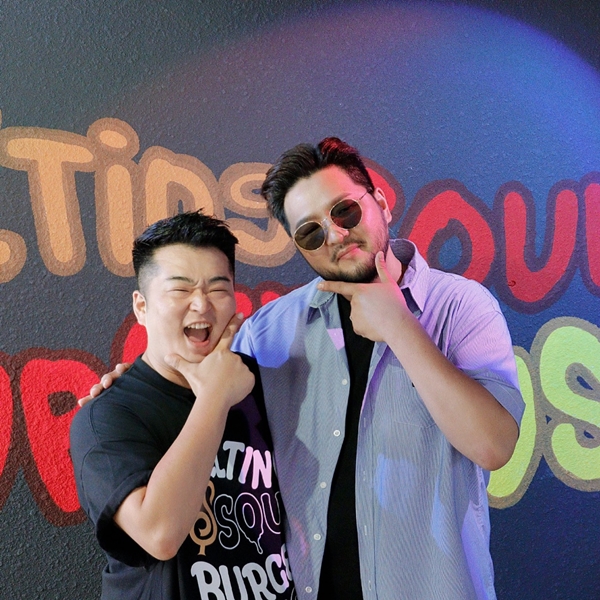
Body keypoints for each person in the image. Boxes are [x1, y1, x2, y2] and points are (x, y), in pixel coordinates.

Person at [87, 138, 524, 600]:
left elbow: (493, 446)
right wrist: (129, 385)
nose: (335, 235)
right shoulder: (269, 333)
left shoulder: (461, 307)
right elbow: (201, 393)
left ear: (380, 203)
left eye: (345, 212)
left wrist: (400, 326)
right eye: (311, 232)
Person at [70, 211, 296, 600]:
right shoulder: (106, 415)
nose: (201, 305)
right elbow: (159, 534)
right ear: (141, 307)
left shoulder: (265, 387)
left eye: (218, 288)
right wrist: (214, 396)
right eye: (180, 289)